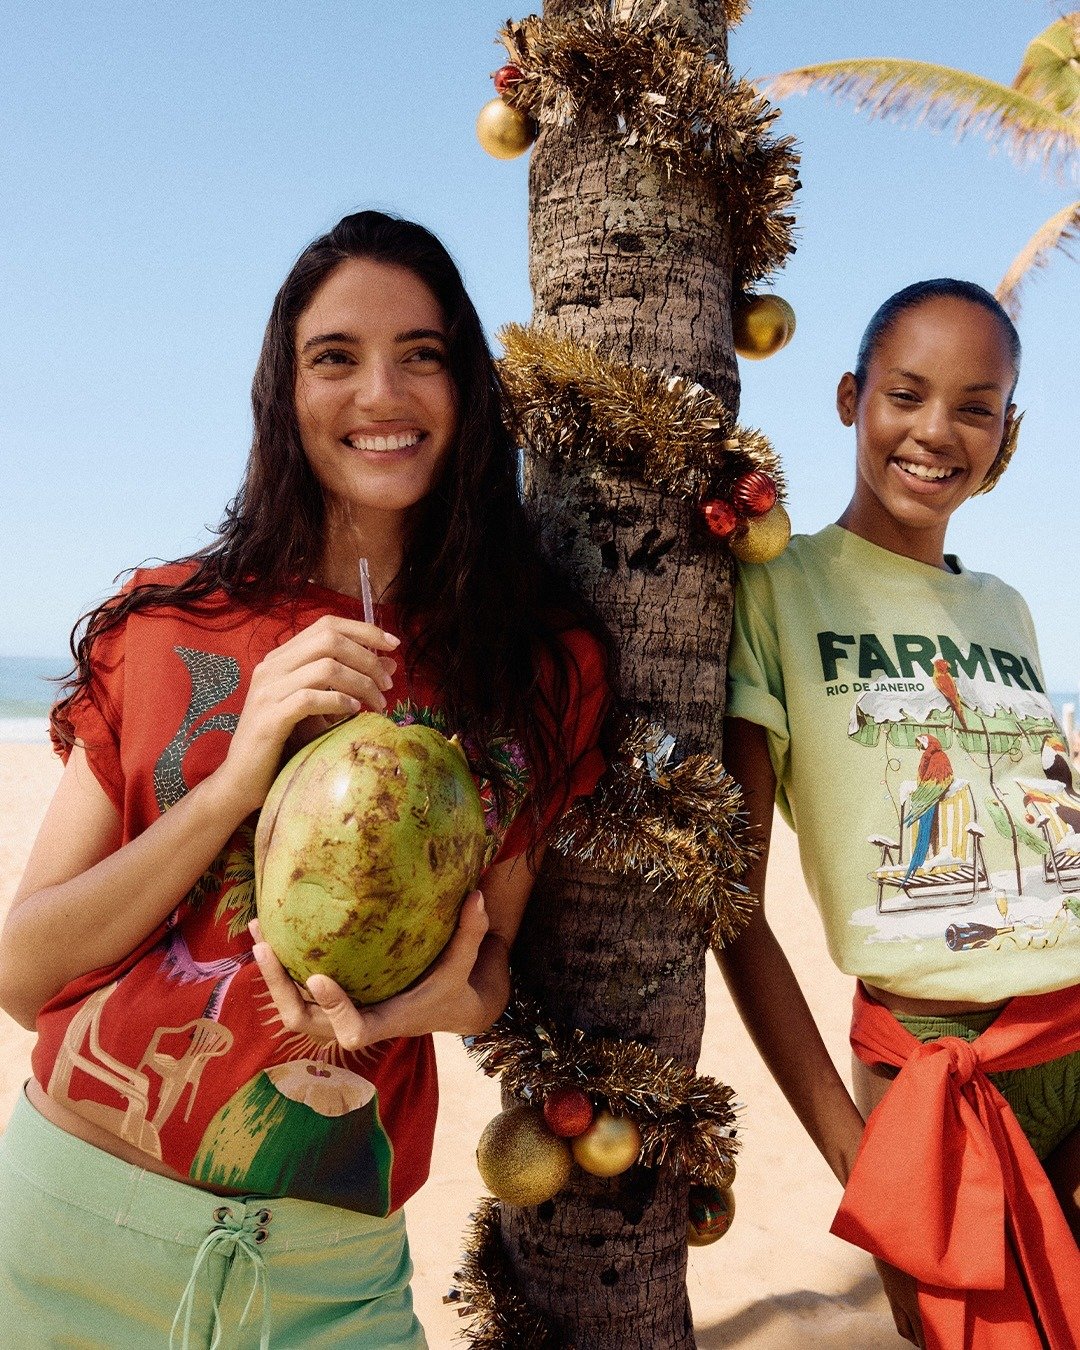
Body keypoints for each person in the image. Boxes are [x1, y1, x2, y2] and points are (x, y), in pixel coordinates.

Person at [0, 211, 611, 1348]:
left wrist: (419, 1009)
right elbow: (26, 973)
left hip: (327, 1269)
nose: (381, 393)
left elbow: (483, 974)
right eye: (335, 358)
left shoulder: (536, 667)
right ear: (284, 396)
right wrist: (236, 783)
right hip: (71, 1226)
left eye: (420, 354)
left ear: (468, 389)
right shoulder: (170, 623)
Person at [718, 279, 1080, 1349]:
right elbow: (733, 906)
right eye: (906, 395)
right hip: (934, 1058)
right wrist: (845, 1142)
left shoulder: (1003, 606)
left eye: (976, 406)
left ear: (1005, 432)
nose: (936, 432)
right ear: (850, 398)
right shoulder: (779, 589)